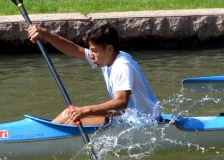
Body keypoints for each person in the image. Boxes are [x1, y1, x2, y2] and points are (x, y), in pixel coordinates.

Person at [25, 23, 160, 125]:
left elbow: (121, 103)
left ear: (109, 49)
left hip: (144, 122)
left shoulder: (122, 66)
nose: (92, 55)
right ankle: (42, 134)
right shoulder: (108, 57)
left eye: (94, 51)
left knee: (73, 122)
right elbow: (73, 50)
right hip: (126, 118)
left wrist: (86, 110)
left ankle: (41, 141)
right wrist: (46, 34)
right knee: (68, 113)